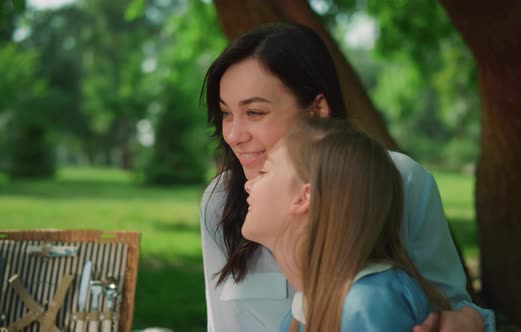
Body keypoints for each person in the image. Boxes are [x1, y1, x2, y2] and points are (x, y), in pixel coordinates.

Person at [199, 22, 495, 332]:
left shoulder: (400, 181)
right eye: (226, 113)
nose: (233, 135)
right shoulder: (220, 201)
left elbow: (445, 310)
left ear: (316, 109)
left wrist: (469, 320)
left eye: (255, 112)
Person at [242, 118, 451, 331]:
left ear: (305, 197)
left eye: (263, 172)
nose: (248, 185)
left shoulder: (368, 304)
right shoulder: (304, 311)